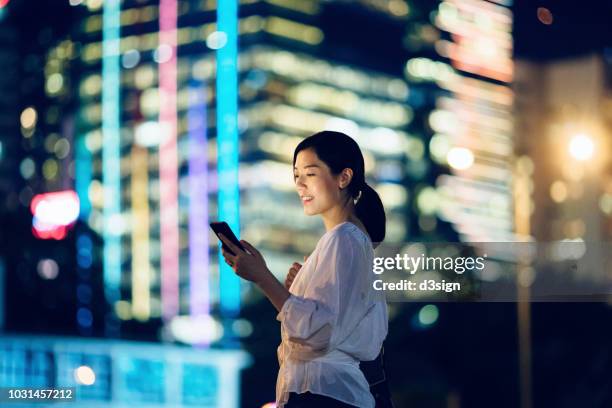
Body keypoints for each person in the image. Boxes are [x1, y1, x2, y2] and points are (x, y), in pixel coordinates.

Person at [219, 131, 394, 407]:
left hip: (323, 395)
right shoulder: (348, 242)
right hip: (330, 394)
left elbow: (318, 333)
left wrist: (262, 278)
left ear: (344, 177)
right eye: (296, 175)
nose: (300, 184)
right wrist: (295, 294)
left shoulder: (344, 238)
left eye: (310, 174)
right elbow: (332, 325)